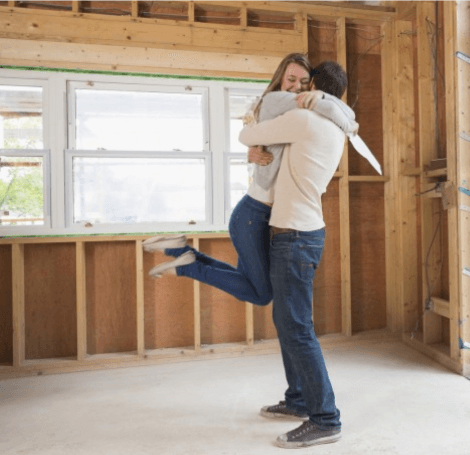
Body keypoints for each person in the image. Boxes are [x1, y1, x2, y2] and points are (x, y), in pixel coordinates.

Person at [143, 54, 357, 310]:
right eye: (291, 79)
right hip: (253, 214)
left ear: (311, 85)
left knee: (255, 287)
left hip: (264, 217)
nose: (296, 87)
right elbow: (250, 136)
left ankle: (181, 253)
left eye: (303, 81)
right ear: (280, 80)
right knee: (261, 294)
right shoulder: (283, 105)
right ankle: (185, 265)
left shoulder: (303, 110)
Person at [237, 60, 349, 448]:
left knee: (297, 328)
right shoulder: (334, 126)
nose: (295, 91)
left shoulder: (305, 121)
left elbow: (249, 132)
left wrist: (253, 145)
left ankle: (325, 418)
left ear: (314, 90)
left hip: (295, 236)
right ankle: (299, 400)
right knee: (290, 325)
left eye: (303, 86)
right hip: (302, 232)